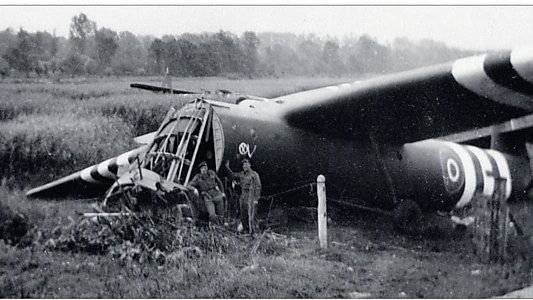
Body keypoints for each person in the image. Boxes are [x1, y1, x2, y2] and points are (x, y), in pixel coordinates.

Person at [225, 158, 262, 234]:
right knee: (243, 214)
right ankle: (246, 230)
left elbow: (258, 187)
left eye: (246, 164)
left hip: (251, 195)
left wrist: (256, 199)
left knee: (251, 215)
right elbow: (233, 175)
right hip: (243, 196)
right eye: (243, 165)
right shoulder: (241, 174)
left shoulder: (254, 175)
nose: (245, 166)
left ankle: (254, 232)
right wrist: (227, 167)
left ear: (250, 165)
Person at [187, 161, 225, 225]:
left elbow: (219, 182)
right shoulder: (198, 177)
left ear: (207, 168)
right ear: (200, 170)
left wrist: (223, 192)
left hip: (217, 193)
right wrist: (194, 189)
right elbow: (189, 185)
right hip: (207, 196)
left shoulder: (212, 173)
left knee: (221, 214)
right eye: (202, 169)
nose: (204, 170)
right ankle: (214, 227)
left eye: (205, 168)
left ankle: (221, 226)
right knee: (212, 215)